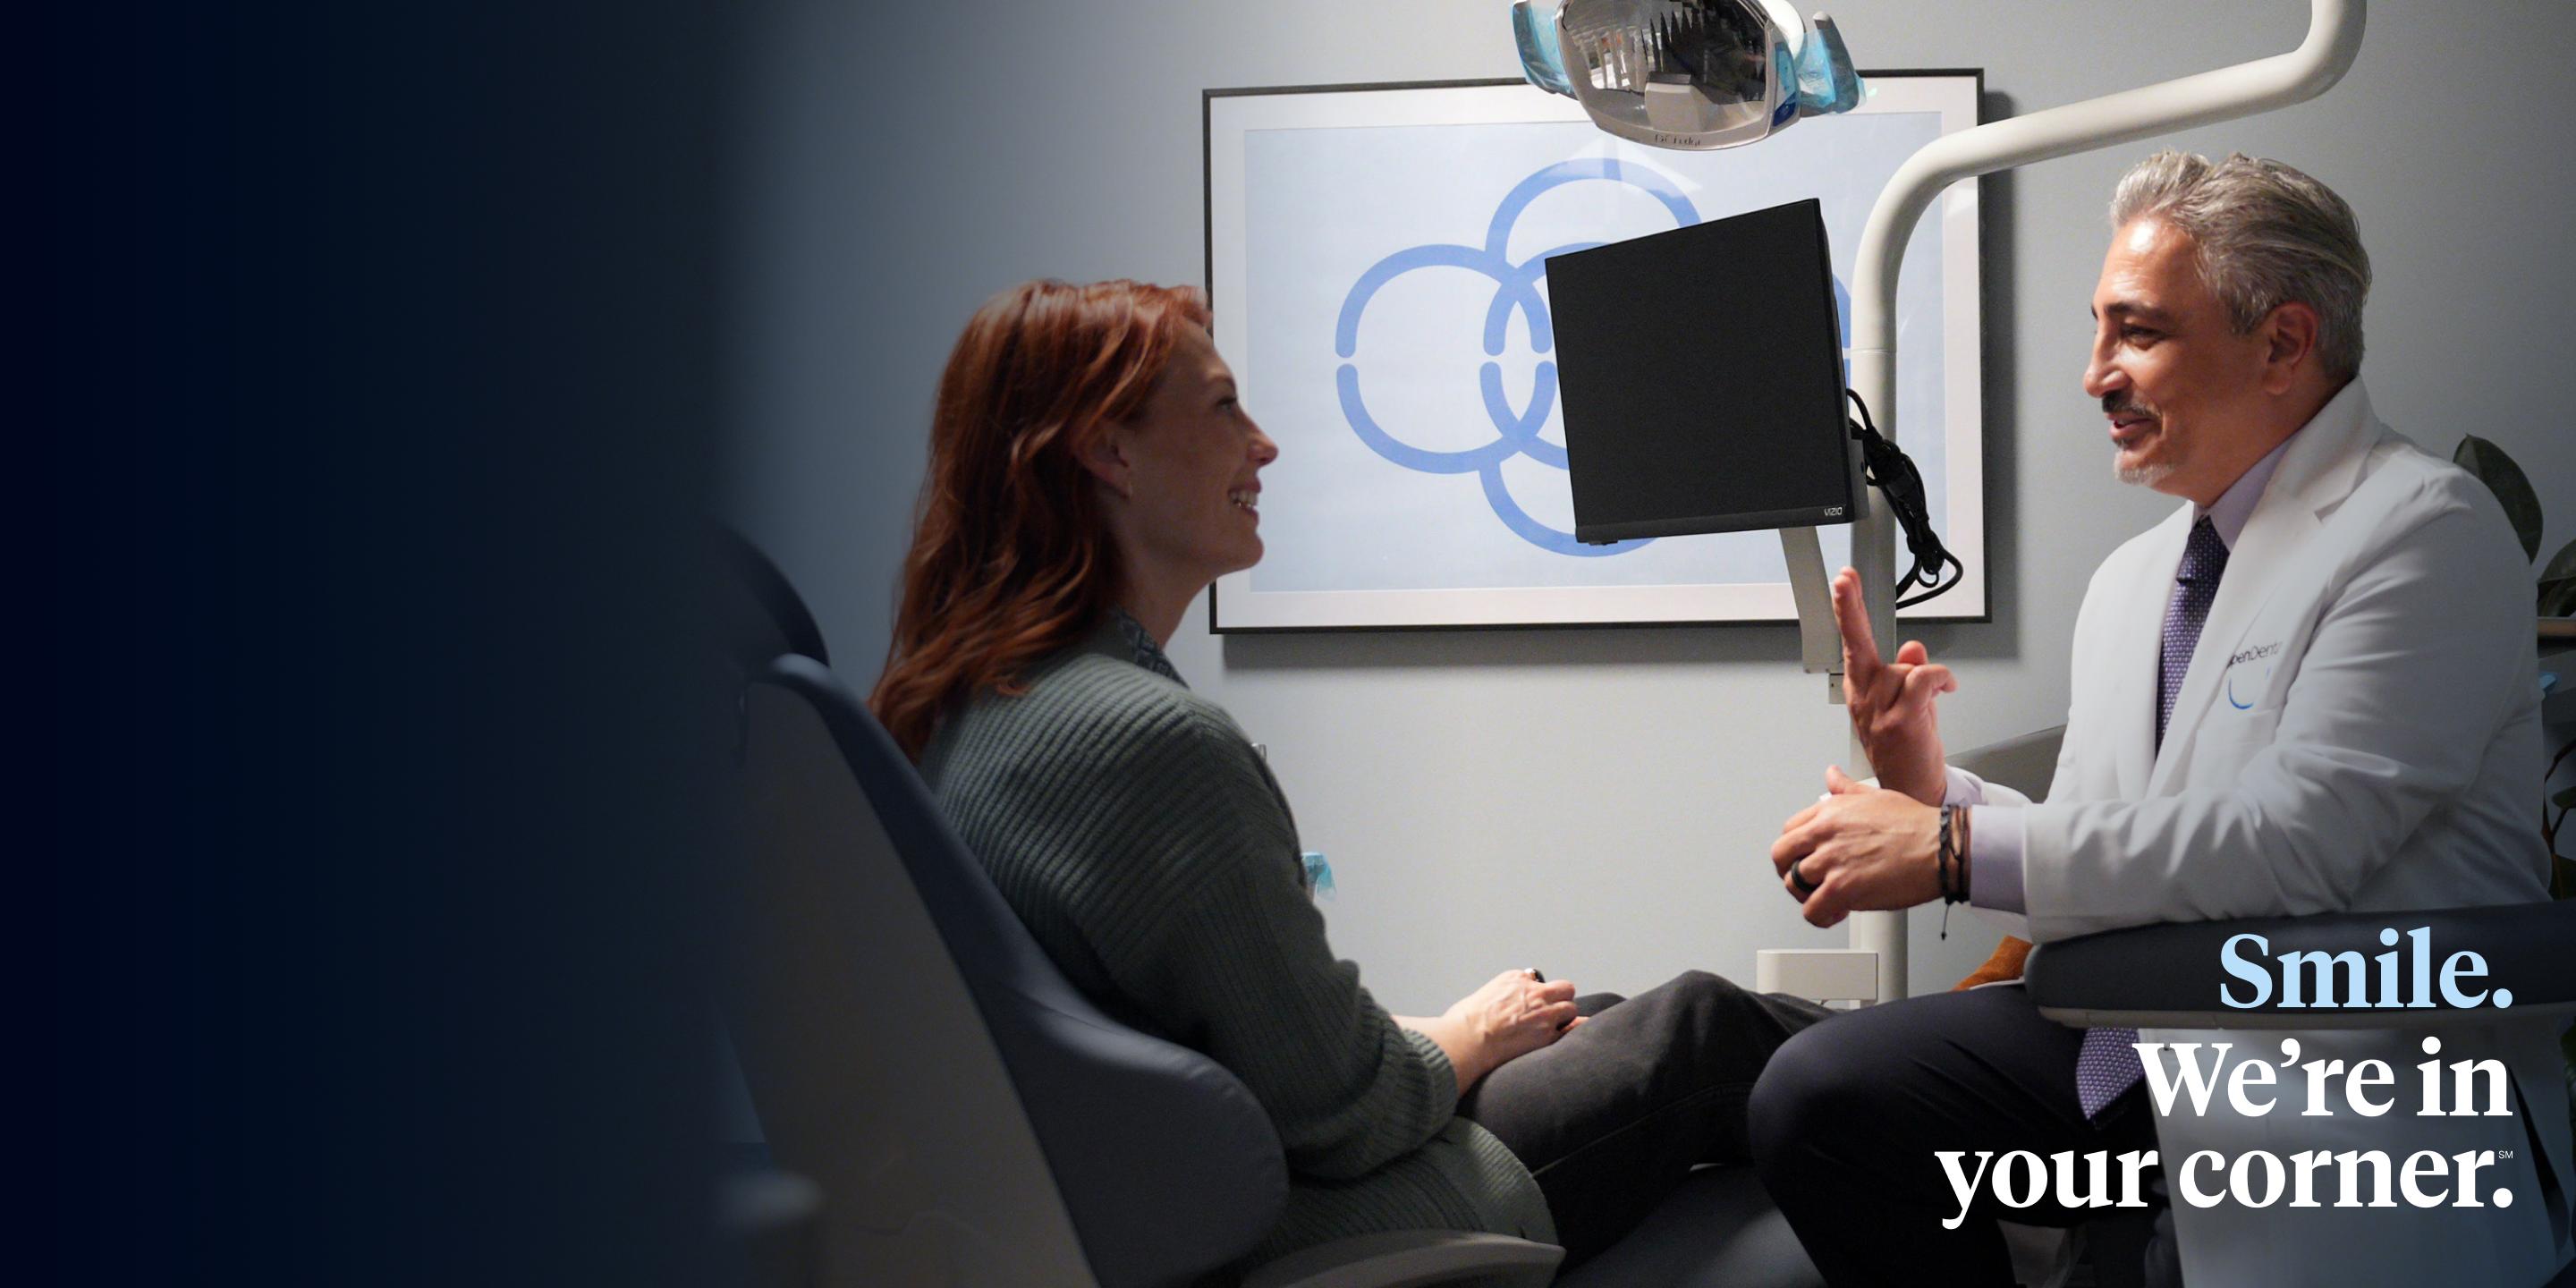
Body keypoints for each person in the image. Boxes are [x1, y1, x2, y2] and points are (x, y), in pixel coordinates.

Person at [868, 278, 1825, 1272]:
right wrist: (1464, 1032)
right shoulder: (1149, 744)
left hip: (1153, 1187)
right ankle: (1968, 1107)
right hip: (1303, 1215)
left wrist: (1467, 1033)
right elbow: (1344, 1110)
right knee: (1701, 1027)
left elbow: (1220, 1032)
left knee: (1599, 1018)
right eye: (1224, 405)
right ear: (1110, 452)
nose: (1263, 444)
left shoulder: (972, 708)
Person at [1753, 150, 2572, 1287]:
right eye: (2098, 331)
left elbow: (2293, 843)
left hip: (2343, 1073)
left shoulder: (2425, 529)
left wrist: (1950, 851)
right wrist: (1935, 791)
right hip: (2142, 1039)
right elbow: (2111, 839)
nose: (2096, 374)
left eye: (2137, 334)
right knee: (1817, 1092)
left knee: (1814, 1083)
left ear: (2284, 343)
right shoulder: (2137, 578)